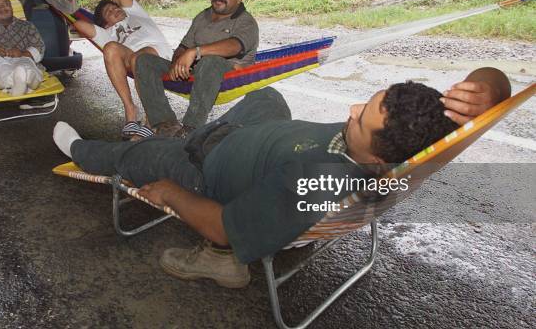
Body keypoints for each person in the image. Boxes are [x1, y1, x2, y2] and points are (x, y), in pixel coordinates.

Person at [53, 67, 510, 288]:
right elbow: (493, 82)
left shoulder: (319, 182)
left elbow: (224, 224)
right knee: (269, 95)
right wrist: (489, 91)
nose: (351, 109)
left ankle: (80, 150)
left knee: (143, 153)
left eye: (362, 116)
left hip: (203, 172)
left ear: (378, 151)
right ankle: (200, 133)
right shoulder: (413, 144)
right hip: (255, 141)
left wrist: (172, 191)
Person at [134, 0, 259, 138]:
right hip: (194, 73)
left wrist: (197, 52)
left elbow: (235, 46)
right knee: (144, 61)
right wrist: (176, 62)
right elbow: (183, 47)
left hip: (228, 76)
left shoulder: (246, 22)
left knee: (210, 61)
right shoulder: (202, 17)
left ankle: (190, 129)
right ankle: (165, 124)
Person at [73, 0, 173, 140]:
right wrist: (104, 22)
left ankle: (151, 119)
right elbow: (79, 24)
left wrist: (112, 7)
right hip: (134, 60)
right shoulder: (107, 33)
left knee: (140, 58)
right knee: (110, 48)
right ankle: (130, 110)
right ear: (105, 24)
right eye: (109, 12)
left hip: (161, 57)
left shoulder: (137, 14)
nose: (115, 10)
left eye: (116, 7)